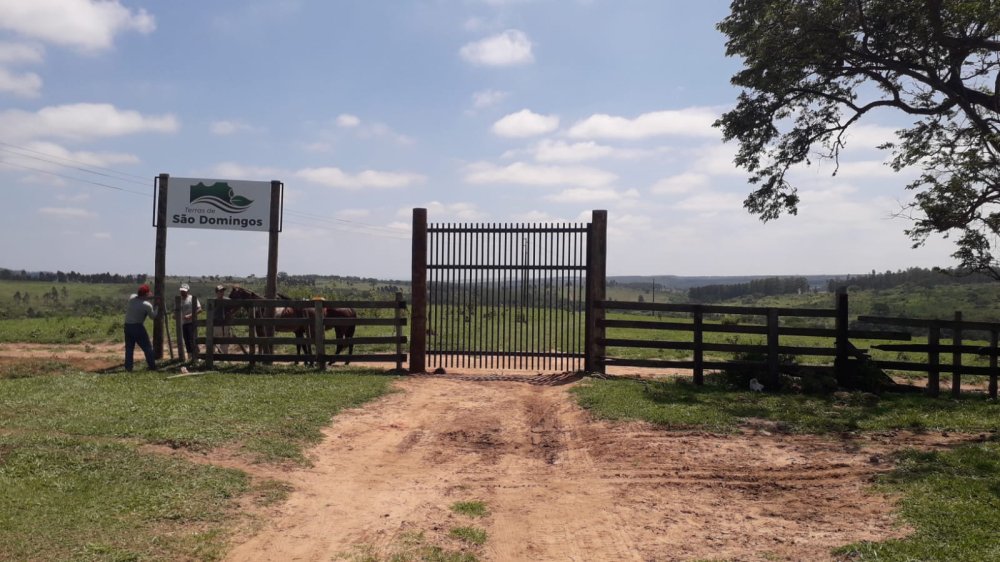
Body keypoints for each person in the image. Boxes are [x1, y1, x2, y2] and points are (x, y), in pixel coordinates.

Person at [124, 283, 158, 372]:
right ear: (146, 294)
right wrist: (157, 307)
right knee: (147, 348)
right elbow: (153, 316)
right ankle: (152, 366)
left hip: (127, 326)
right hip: (137, 327)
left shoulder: (132, 299)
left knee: (129, 348)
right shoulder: (147, 305)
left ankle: (128, 367)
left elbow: (136, 296)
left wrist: (148, 297)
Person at [179, 283, 202, 357]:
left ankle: (197, 355)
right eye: (181, 291)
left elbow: (199, 309)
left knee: (193, 339)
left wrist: (190, 316)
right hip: (183, 323)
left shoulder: (192, 298)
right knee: (186, 340)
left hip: (192, 322)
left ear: (188, 291)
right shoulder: (179, 300)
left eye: (184, 291)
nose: (182, 292)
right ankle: (190, 356)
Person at [211, 284, 232, 354]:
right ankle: (213, 357)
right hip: (215, 324)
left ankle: (224, 357)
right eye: (220, 291)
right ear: (216, 292)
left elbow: (232, 310)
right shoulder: (212, 301)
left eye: (222, 291)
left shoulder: (228, 300)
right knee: (213, 341)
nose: (222, 293)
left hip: (225, 324)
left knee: (225, 341)